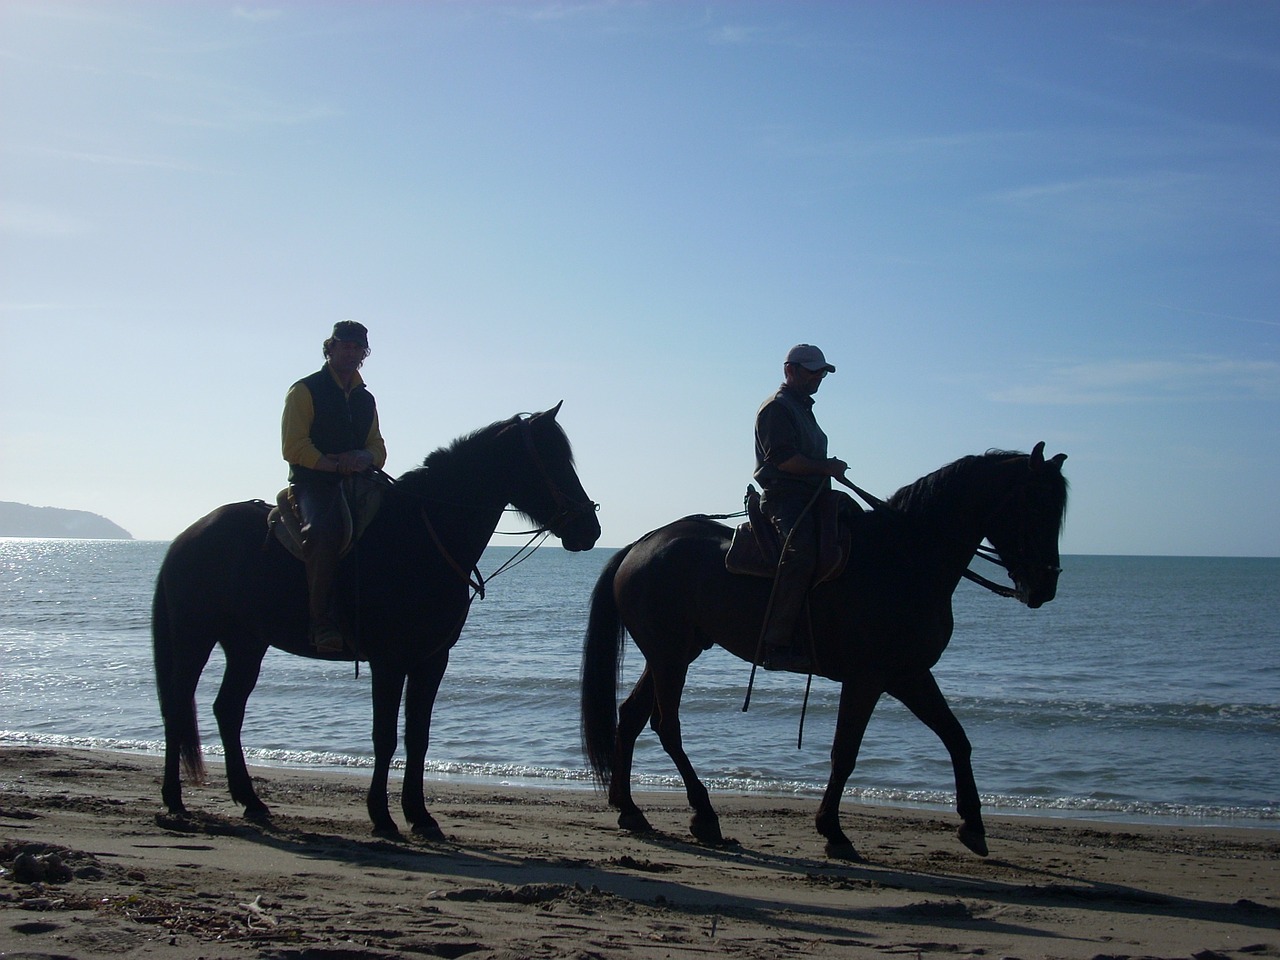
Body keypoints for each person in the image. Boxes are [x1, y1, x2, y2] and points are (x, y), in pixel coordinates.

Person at [281, 320, 387, 653]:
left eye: (357, 348)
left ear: (363, 353)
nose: (351, 352)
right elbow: (293, 445)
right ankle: (320, 622)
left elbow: (378, 447)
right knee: (323, 533)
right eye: (345, 345)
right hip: (314, 483)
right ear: (331, 347)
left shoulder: (365, 399)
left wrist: (363, 456)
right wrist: (333, 463)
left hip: (359, 480)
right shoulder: (304, 391)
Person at [752, 343, 848, 672]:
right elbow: (784, 460)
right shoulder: (776, 408)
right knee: (801, 553)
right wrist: (827, 468)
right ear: (790, 371)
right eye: (812, 371)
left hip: (813, 497)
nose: (819, 377)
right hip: (785, 498)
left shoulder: (802, 408)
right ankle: (776, 644)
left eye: (822, 372)